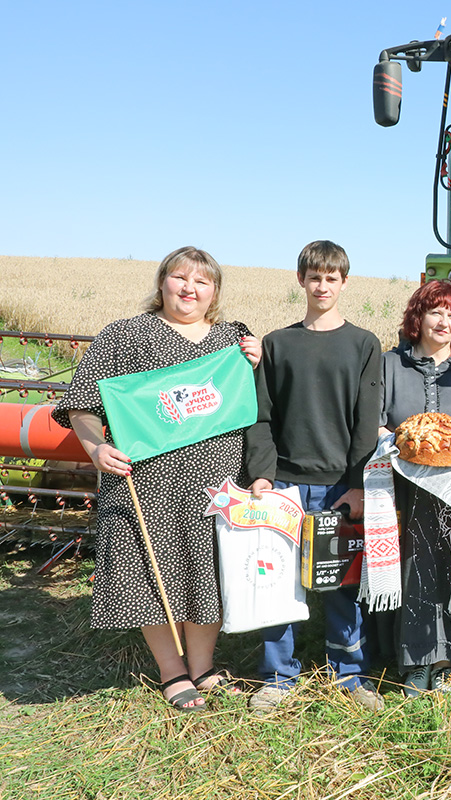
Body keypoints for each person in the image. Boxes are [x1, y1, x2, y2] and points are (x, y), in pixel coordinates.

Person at [53, 246, 261, 712]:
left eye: (202, 281)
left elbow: (262, 398)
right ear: (162, 282)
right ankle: (172, 671)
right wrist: (96, 448)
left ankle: (203, 667)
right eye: (180, 277)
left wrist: (260, 357)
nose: (189, 288)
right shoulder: (124, 335)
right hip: (148, 483)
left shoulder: (234, 338)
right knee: (153, 570)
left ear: (215, 292)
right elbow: (82, 402)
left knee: (207, 571)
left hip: (217, 481)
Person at [245, 240, 384, 712]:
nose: (322, 286)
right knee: (278, 581)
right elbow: (261, 416)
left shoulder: (364, 344)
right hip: (284, 483)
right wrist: (262, 475)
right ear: (301, 280)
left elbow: (366, 423)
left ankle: (350, 675)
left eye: (331, 278)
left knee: (343, 585)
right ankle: (277, 677)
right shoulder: (276, 344)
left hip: (340, 486)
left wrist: (359, 485)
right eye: (314, 277)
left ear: (344, 282)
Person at [373, 280, 451, 695]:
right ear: (418, 317)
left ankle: (450, 661)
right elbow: (375, 423)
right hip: (406, 492)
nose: (444, 322)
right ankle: (417, 660)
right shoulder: (390, 365)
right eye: (435, 312)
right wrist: (402, 444)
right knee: (416, 572)